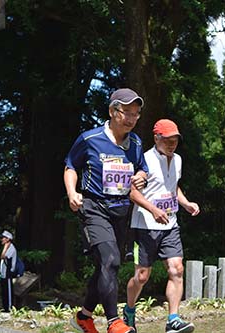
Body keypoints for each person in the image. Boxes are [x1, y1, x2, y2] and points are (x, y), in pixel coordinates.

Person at [64, 88, 149, 333]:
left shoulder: (135, 142)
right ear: (112, 112)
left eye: (136, 114)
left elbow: (141, 168)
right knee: (110, 261)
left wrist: (141, 177)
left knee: (106, 265)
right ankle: (114, 322)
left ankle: (84, 317)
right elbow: (70, 166)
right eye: (127, 113)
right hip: (94, 208)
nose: (132, 119)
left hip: (121, 211)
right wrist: (72, 192)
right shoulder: (90, 139)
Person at [124, 119, 200, 333]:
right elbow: (132, 192)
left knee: (177, 269)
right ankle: (129, 311)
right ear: (156, 138)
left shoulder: (177, 160)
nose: (171, 144)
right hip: (144, 226)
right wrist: (153, 210)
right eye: (167, 140)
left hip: (171, 224)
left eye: (175, 140)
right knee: (142, 277)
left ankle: (173, 320)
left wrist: (185, 204)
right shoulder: (144, 160)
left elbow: (173, 187)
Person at [0, 230, 17, 311]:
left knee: (8, 291)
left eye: (3, 238)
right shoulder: (6, 247)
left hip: (8, 273)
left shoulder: (11, 248)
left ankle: (9, 307)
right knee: (4, 291)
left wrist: (5, 247)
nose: (2, 239)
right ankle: (5, 307)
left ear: (8, 239)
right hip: (3, 273)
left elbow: (3, 256)